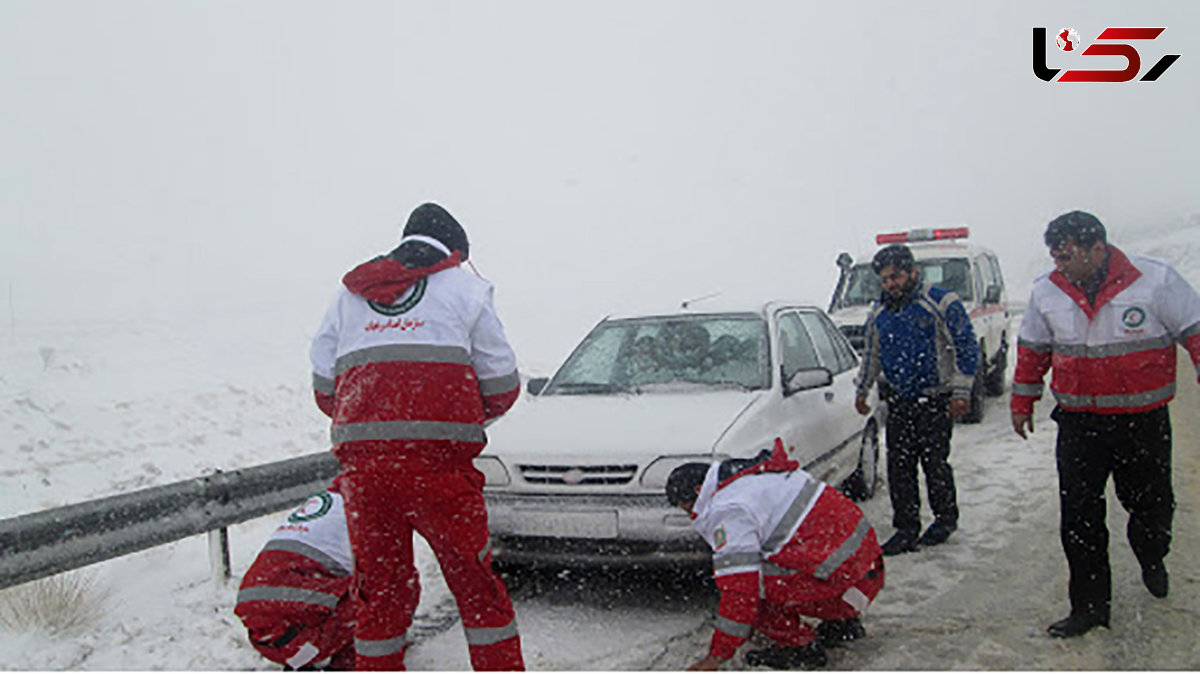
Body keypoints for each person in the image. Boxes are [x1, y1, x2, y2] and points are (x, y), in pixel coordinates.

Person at [310, 202, 524, 670]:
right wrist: (457, 418)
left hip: (364, 479)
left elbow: (325, 388)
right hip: (442, 474)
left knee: (380, 595)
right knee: (476, 590)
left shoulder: (348, 297)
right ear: (453, 250)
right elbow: (503, 384)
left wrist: (374, 428)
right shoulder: (466, 290)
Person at [1010, 210, 1200, 638]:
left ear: (1098, 248)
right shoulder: (1047, 291)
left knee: (1151, 508)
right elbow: (1033, 350)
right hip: (1080, 425)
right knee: (1079, 519)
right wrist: (1023, 400)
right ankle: (1090, 608)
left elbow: (1196, 332)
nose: (1061, 265)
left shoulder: (1155, 280)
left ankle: (1152, 554)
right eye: (1056, 257)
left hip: (1143, 423)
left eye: (1069, 256)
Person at [667, 439, 885, 671]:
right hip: (867, 574)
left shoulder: (729, 509)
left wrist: (716, 656)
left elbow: (741, 591)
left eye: (687, 508)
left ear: (698, 492)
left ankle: (799, 648)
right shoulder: (759, 478)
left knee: (745, 582)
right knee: (776, 559)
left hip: (846, 587)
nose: (691, 515)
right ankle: (842, 624)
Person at [854, 243, 978, 555]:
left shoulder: (940, 302)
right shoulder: (879, 313)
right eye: (884, 280)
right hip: (900, 401)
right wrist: (862, 390)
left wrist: (961, 391)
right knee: (900, 466)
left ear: (912, 272)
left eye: (895, 277)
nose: (890, 285)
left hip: (935, 400)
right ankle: (906, 528)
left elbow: (965, 346)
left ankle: (944, 519)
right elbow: (872, 355)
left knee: (934, 463)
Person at [235, 485, 359, 671]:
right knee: (377, 597)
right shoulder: (369, 506)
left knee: (354, 598)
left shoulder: (334, 495)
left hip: (260, 624)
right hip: (290, 633)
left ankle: (301, 659)